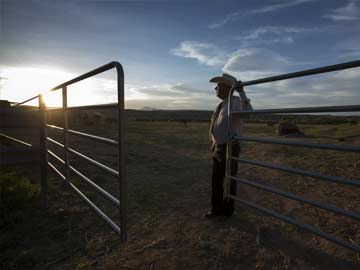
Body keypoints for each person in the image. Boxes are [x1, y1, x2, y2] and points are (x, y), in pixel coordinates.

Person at [206, 73, 252, 218]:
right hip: (218, 147)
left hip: (229, 147)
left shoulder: (235, 102)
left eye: (218, 86)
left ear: (226, 88)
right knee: (217, 180)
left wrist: (242, 92)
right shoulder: (222, 104)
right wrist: (213, 143)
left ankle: (227, 210)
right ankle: (216, 209)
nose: (215, 88)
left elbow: (249, 114)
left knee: (230, 179)